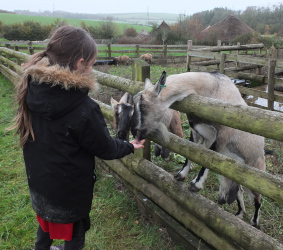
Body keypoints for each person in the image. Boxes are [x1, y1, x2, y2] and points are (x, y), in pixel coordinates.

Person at [9, 25, 145, 250]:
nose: (91, 70)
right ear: (80, 64)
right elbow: (105, 148)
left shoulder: (32, 89)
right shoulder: (83, 108)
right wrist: (128, 146)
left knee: (44, 229)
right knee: (74, 237)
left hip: (40, 184)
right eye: (91, 64)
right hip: (69, 193)